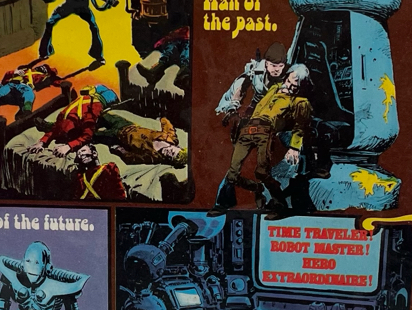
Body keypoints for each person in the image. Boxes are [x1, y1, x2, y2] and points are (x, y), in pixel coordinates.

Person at [209, 66, 312, 219]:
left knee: (261, 172)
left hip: (267, 134)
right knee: (232, 174)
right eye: (289, 82)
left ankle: (280, 205)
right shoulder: (274, 88)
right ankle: (252, 191)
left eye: (295, 87)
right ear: (287, 76)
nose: (290, 87)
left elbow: (300, 127)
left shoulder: (300, 102)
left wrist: (294, 148)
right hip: (248, 130)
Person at [32, 0, 118, 64]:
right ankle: (44, 52)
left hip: (83, 7)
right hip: (69, 5)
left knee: (94, 27)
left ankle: (98, 55)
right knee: (50, 22)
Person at [33, 85, 118, 157]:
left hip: (86, 122)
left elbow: (87, 135)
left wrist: (68, 146)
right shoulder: (69, 113)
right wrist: (42, 142)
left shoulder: (91, 106)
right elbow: (55, 129)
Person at [93, 111, 187, 167]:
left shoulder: (153, 157)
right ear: (178, 147)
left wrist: (119, 150)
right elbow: (168, 127)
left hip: (117, 137)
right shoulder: (170, 138)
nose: (169, 153)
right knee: (102, 115)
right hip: (127, 126)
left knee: (92, 135)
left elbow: (133, 158)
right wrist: (162, 119)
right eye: (173, 152)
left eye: (170, 157)